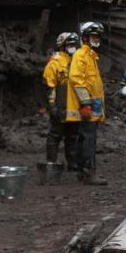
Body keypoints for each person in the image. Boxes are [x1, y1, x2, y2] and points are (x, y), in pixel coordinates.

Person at [67, 22, 107, 185]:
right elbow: (76, 79)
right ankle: (88, 172)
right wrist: (85, 103)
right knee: (88, 139)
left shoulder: (91, 55)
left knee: (86, 137)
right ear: (85, 38)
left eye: (98, 36)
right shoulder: (81, 55)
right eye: (94, 36)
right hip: (87, 104)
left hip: (93, 103)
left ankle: (83, 171)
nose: (97, 39)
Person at [43, 32, 80, 171]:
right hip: (60, 103)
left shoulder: (76, 60)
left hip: (75, 104)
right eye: (70, 44)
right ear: (62, 45)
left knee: (73, 135)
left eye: (74, 44)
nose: (73, 47)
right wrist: (52, 104)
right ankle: (51, 163)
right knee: (55, 134)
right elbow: (49, 84)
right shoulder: (55, 62)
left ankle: (73, 163)